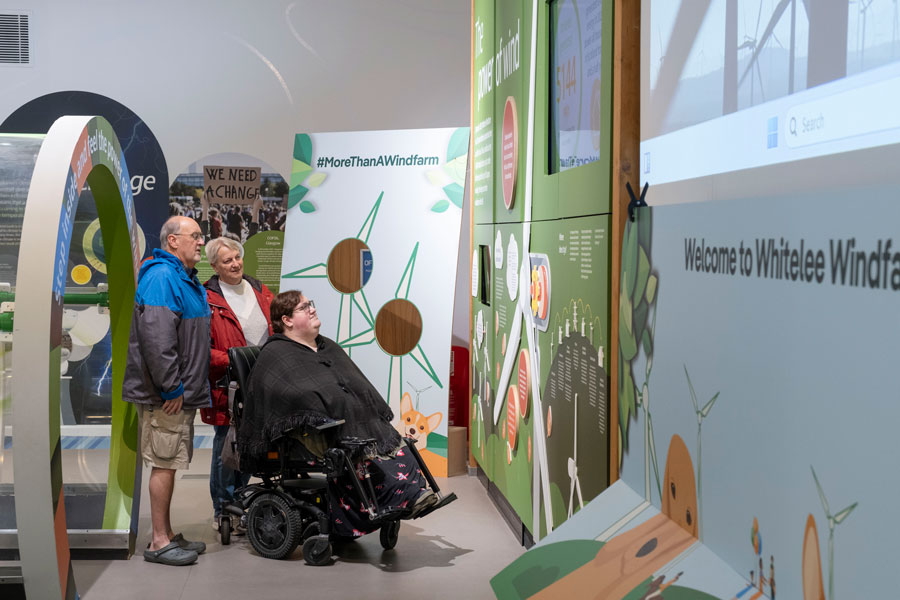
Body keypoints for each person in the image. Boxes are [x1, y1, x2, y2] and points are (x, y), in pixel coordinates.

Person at [237, 290, 438, 538]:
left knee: (398, 444)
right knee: (362, 452)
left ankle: (411, 496)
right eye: (303, 307)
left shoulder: (326, 346)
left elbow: (357, 383)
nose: (311, 309)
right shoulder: (276, 354)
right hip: (308, 437)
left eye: (310, 303)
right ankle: (402, 499)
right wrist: (326, 406)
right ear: (287, 320)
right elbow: (287, 395)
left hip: (347, 425)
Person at [123, 216, 211, 566]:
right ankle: (159, 541)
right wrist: (172, 386)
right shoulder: (161, 277)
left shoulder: (181, 277)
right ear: (173, 240)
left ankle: (168, 533)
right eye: (196, 236)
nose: (201, 242)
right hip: (167, 395)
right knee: (163, 462)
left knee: (170, 462)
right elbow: (158, 341)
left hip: (178, 392)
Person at [201, 236, 274, 530]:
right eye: (227, 260)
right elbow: (200, 348)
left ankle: (241, 501)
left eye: (237, 258)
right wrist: (230, 361)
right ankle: (223, 508)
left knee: (250, 445)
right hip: (229, 382)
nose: (235, 264)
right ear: (215, 265)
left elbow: (277, 324)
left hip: (263, 379)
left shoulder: (259, 289)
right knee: (226, 446)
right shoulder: (206, 297)